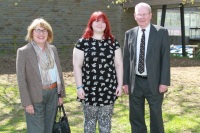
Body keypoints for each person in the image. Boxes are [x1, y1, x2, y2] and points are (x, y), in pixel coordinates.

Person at [123, 2, 170, 133]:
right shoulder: (129, 34)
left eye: (144, 14)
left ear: (150, 15)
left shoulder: (161, 32)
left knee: (156, 115)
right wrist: (125, 82)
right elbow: (126, 59)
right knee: (136, 116)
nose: (142, 17)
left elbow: (165, 58)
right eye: (139, 14)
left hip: (154, 82)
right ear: (134, 16)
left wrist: (164, 82)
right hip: (135, 82)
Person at [73, 11, 123, 133]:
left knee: (105, 122)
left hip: (108, 88)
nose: (100, 24)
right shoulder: (82, 43)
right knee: (89, 122)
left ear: (106, 24)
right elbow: (77, 66)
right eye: (97, 21)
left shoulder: (113, 42)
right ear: (91, 23)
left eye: (103, 21)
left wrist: (120, 85)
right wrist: (79, 87)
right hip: (88, 89)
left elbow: (118, 64)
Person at [16, 18, 66, 133]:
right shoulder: (23, 52)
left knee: (49, 129)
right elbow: (21, 80)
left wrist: (60, 95)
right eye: (38, 30)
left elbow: (58, 73)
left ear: (48, 33)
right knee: (36, 130)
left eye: (44, 30)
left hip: (53, 94)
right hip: (35, 97)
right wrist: (27, 102)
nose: (41, 34)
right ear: (31, 32)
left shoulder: (53, 49)